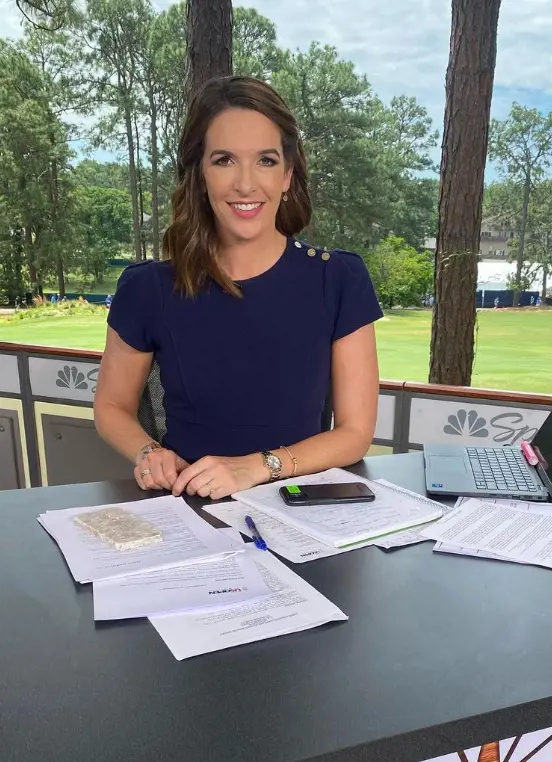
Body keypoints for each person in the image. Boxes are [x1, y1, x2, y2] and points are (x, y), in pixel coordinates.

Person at [94, 76, 381, 500]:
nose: (245, 184)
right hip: (185, 506)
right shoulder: (147, 288)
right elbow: (111, 406)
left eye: (265, 160)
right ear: (200, 175)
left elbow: (355, 434)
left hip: (298, 507)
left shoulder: (338, 279)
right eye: (224, 160)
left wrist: (256, 468)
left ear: (287, 175)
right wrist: (149, 452)